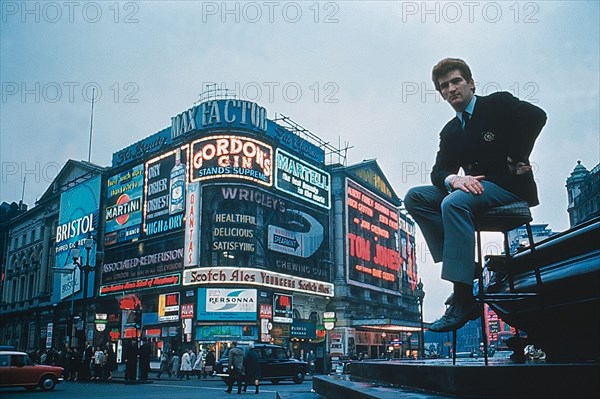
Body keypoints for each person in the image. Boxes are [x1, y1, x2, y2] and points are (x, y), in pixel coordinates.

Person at [404, 57, 547, 333]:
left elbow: (537, 116)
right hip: (471, 190)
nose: (451, 89)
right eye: (444, 86)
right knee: (415, 197)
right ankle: (468, 270)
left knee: (453, 203)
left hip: (508, 187)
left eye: (456, 81)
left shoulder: (497, 104)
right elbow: (439, 170)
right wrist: (454, 179)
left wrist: (517, 156)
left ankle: (463, 298)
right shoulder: (450, 131)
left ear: (470, 83)